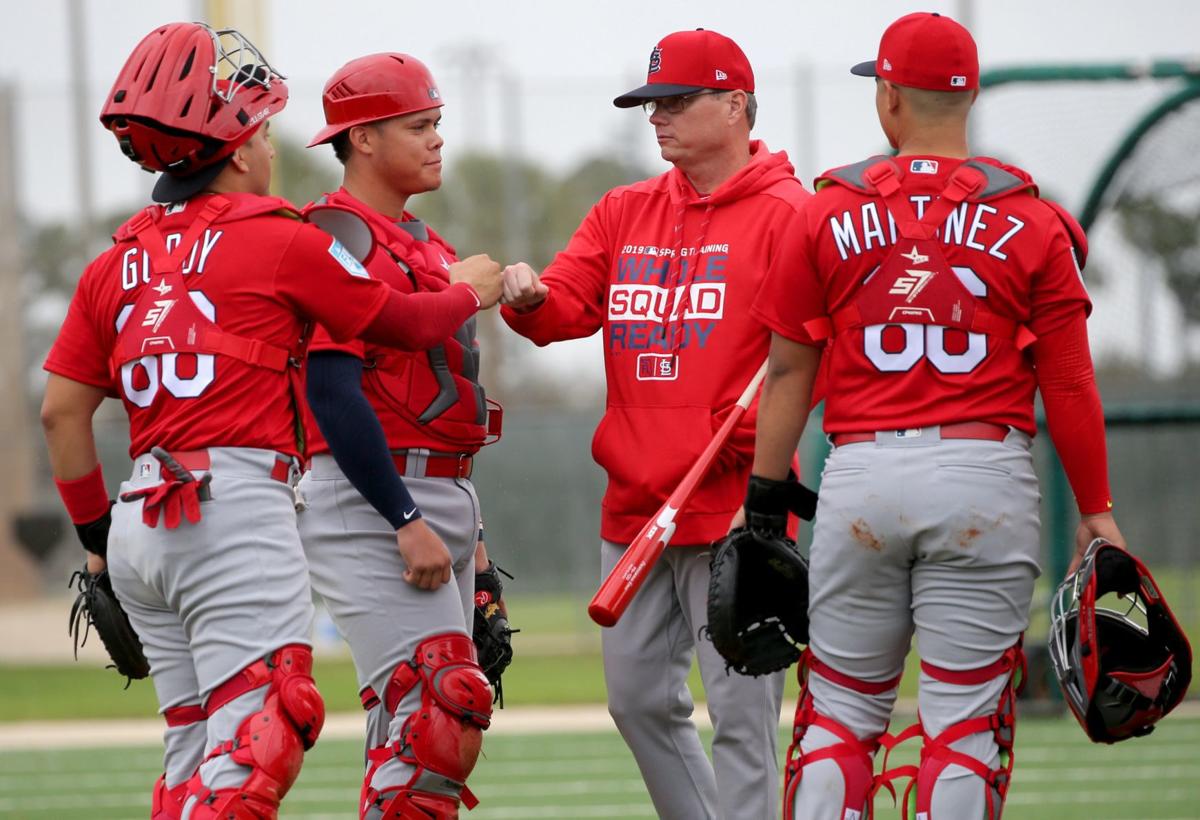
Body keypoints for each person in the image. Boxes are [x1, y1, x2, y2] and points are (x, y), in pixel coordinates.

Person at [40, 23, 501, 820]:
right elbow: (400, 325)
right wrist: (474, 292)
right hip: (233, 505)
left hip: (139, 516)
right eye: (259, 127)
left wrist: (95, 545)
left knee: (192, 762)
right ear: (238, 146)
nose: (270, 146)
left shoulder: (115, 259)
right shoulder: (277, 237)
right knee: (258, 744)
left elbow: (61, 414)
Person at [748, 12, 1126, 819]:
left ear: (888, 98)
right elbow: (1068, 381)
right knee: (962, 726)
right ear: (971, 95)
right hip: (983, 476)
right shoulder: (1032, 219)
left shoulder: (824, 211)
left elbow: (788, 371)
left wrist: (762, 504)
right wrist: (1095, 508)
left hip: (862, 475)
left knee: (839, 719)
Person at [500, 28, 810, 820]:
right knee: (637, 701)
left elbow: (811, 362)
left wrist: (762, 483)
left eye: (676, 101)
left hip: (737, 508)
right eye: (651, 103)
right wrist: (529, 299)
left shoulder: (789, 216)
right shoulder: (624, 210)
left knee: (742, 718)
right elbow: (567, 302)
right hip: (637, 500)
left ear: (736, 104)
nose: (657, 117)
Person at [296, 53, 503, 819]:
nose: (437, 140)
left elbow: (445, 403)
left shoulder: (423, 239)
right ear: (364, 139)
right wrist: (403, 517)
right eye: (418, 126)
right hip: (375, 497)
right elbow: (330, 389)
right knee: (435, 714)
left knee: (419, 728)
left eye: (437, 123)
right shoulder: (335, 233)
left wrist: (474, 547)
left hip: (442, 489)